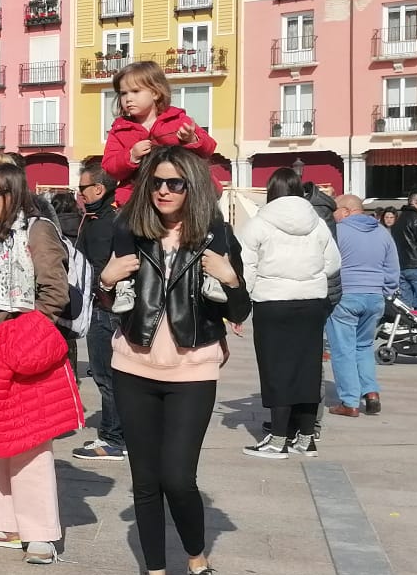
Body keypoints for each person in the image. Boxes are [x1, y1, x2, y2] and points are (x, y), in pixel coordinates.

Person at [99, 146, 248, 575]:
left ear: (192, 187)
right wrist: (105, 280)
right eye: (157, 182)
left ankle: (199, 566)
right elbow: (112, 302)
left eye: (175, 183)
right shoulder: (128, 228)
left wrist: (230, 279)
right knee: (145, 481)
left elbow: (240, 312)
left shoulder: (215, 234)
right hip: (133, 366)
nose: (164, 190)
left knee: (178, 478)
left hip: (193, 368)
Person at [0, 160, 75, 563]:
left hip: (21, 340)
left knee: (29, 438)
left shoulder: (38, 229)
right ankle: (3, 521)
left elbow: (55, 291)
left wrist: (30, 334)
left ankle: (40, 531)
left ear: (11, 193)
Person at [239, 169, 342, 455]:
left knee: (277, 369)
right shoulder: (317, 222)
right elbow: (333, 263)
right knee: (308, 368)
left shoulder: (258, 223)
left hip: (272, 302)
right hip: (311, 303)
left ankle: (278, 439)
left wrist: (240, 305)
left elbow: (245, 267)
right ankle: (306, 438)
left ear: (271, 190)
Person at [71, 158, 128, 464]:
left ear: (98, 188)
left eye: (82, 188)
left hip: (105, 308)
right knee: (109, 375)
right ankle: (117, 433)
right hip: (103, 306)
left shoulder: (107, 222)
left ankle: (113, 438)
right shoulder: (97, 218)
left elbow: (100, 266)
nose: (78, 193)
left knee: (107, 376)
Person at [101, 59, 217, 203]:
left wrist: (192, 140)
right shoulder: (119, 130)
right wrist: (131, 156)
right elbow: (110, 168)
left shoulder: (177, 120)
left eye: (136, 91)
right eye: (123, 93)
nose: (128, 98)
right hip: (138, 199)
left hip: (183, 196)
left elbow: (209, 148)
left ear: (155, 93)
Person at [327, 193, 399, 417]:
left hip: (346, 295)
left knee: (343, 350)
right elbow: (393, 269)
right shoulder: (382, 233)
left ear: (347, 211)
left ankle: (349, 401)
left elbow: (328, 264)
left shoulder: (338, 231)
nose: (334, 215)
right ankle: (371, 392)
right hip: (374, 296)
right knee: (364, 346)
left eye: (335, 210)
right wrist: (384, 291)